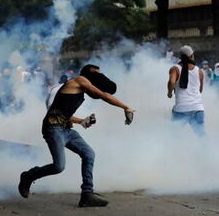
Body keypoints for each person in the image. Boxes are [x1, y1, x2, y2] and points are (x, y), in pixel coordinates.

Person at [18, 64, 135, 208]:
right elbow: (103, 95)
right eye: (96, 74)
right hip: (53, 129)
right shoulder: (79, 80)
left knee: (88, 154)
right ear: (89, 73)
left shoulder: (80, 89)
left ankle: (87, 194)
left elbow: (63, 113)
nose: (99, 76)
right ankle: (28, 176)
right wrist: (126, 107)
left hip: (66, 130)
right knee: (58, 167)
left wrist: (82, 121)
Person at [167, 45, 206, 135]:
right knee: (201, 136)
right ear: (191, 56)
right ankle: (207, 149)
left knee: (173, 136)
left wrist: (170, 93)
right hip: (198, 108)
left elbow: (171, 82)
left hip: (181, 109)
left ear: (180, 57)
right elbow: (200, 90)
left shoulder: (175, 69)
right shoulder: (199, 71)